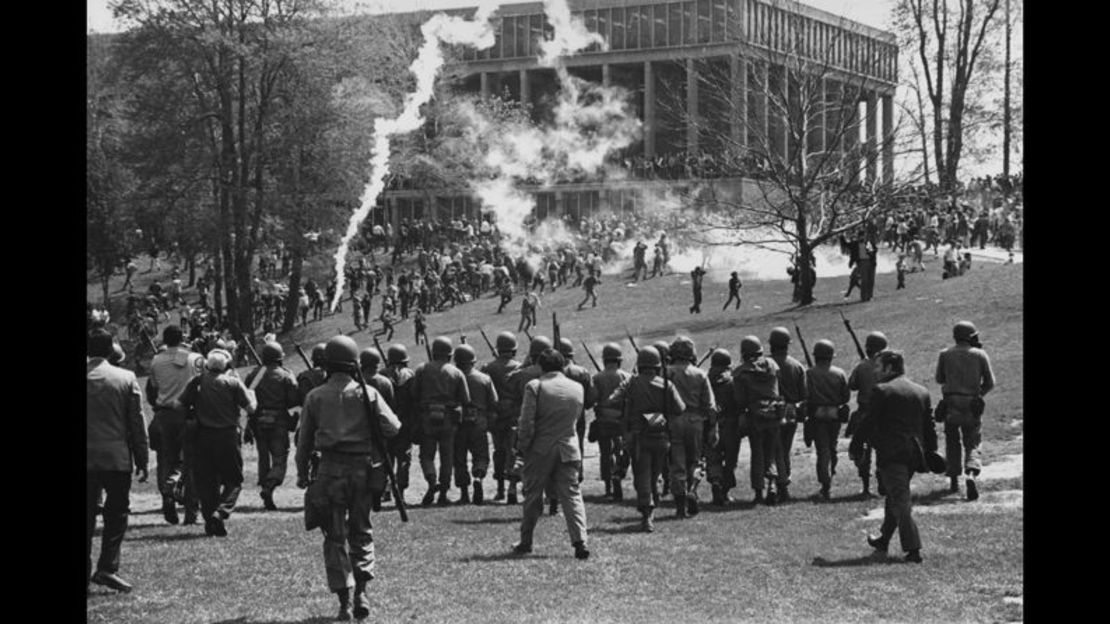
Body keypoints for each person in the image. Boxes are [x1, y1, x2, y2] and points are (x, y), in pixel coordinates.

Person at [296, 335, 402, 621]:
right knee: (362, 531)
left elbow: (303, 441)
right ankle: (362, 593)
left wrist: (300, 472)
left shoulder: (315, 396)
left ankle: (344, 601)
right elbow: (393, 427)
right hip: (363, 469)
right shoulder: (368, 394)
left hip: (329, 470)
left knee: (334, 536)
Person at [852, 351, 937, 564]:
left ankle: (913, 549)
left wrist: (855, 443)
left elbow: (869, 421)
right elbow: (929, 428)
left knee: (900, 500)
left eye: (879, 367)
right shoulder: (921, 391)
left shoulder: (881, 391)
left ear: (890, 368)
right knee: (894, 496)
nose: (876, 372)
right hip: (914, 455)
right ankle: (883, 539)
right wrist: (931, 452)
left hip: (891, 453)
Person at [511, 348, 590, 560]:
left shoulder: (535, 386)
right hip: (569, 446)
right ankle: (580, 540)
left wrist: (522, 448)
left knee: (533, 495)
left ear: (541, 366)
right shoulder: (577, 387)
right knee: (572, 495)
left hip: (540, 449)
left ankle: (526, 541)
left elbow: (526, 422)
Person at [87, 329, 149, 593]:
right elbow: (136, 421)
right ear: (111, 350)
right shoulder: (125, 377)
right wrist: (143, 457)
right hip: (116, 456)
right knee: (117, 513)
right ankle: (107, 567)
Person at [180, 348, 256, 537]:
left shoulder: (197, 382)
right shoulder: (233, 383)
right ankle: (220, 512)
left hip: (203, 437)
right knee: (234, 480)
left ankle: (210, 521)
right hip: (228, 437)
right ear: (226, 366)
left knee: (206, 482)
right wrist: (252, 396)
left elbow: (178, 404)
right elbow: (251, 408)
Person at [609, 346, 685, 532]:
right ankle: (653, 501)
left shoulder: (631, 383)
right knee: (655, 473)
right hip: (660, 436)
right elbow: (680, 408)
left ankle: (647, 511)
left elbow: (613, 399)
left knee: (642, 475)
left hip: (639, 437)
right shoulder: (666, 384)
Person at [145, 325, 204, 526]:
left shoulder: (156, 361)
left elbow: (153, 390)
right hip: (188, 414)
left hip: (164, 414)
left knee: (166, 460)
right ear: (182, 339)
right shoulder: (195, 358)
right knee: (192, 464)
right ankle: (191, 512)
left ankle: (167, 497)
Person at [935, 321, 995, 501]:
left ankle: (953, 479)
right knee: (973, 441)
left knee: (952, 441)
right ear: (970, 337)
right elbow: (990, 383)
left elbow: (939, 379)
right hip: (971, 404)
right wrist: (979, 394)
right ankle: (971, 474)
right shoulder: (980, 354)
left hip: (951, 403)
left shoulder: (945, 354)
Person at [411, 336, 471, 506]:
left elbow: (414, 393)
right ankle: (443, 492)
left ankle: (431, 481)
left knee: (426, 455)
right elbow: (466, 399)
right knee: (447, 457)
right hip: (449, 419)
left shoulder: (422, 369)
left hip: (427, 418)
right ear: (450, 354)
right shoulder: (456, 372)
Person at [244, 342, 302, 511]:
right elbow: (293, 399)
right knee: (280, 457)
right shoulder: (285, 375)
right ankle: (270, 485)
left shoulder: (256, 374)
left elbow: (248, 395)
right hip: (279, 420)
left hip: (258, 420)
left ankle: (264, 486)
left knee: (263, 457)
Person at [664, 336, 717, 516]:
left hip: (673, 420)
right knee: (695, 461)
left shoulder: (665, 372)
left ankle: (680, 506)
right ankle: (692, 490)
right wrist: (713, 429)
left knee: (677, 463)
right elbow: (710, 406)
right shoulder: (700, 374)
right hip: (696, 422)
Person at [732, 336, 784, 504]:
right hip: (774, 413)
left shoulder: (741, 372)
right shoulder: (772, 365)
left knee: (758, 454)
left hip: (755, 416)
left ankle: (758, 491)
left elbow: (739, 400)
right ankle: (773, 484)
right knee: (772, 453)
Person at [805, 340, 851, 500]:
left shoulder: (809, 373)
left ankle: (825, 483)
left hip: (816, 416)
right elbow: (846, 396)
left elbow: (806, 395)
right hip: (834, 415)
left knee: (822, 450)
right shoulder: (839, 373)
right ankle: (830, 473)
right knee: (832, 447)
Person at [481, 332, 524, 503]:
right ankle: (512, 487)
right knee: (513, 451)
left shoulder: (488, 368)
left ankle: (500, 488)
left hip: (496, 415)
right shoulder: (520, 368)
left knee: (498, 451)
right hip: (515, 414)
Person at [453, 344, 497, 505]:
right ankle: (478, 477)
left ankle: (464, 493)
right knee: (481, 455)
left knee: (459, 458)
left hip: (458, 423)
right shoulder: (484, 378)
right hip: (479, 422)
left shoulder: (453, 378)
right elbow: (494, 401)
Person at [848, 332, 889, 499]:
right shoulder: (887, 366)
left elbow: (852, 385)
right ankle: (882, 480)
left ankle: (865, 486)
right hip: (884, 412)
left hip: (865, 411)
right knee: (882, 448)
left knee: (863, 449)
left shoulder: (862, 366)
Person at [768, 327, 807, 502]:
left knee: (774, 449)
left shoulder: (766, 364)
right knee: (785, 449)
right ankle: (783, 481)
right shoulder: (797, 365)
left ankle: (779, 483)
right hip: (791, 411)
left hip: (771, 411)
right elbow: (803, 394)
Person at [590, 343, 632, 500]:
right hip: (621, 421)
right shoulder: (627, 377)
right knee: (622, 450)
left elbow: (592, 398)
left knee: (605, 453)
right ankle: (619, 474)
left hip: (603, 421)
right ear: (619, 360)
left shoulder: (597, 377)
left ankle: (608, 486)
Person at [705, 349, 744, 505]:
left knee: (713, 458)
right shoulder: (732, 381)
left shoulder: (705, 379)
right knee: (730, 460)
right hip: (730, 425)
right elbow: (739, 402)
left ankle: (715, 481)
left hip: (711, 425)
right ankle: (725, 491)